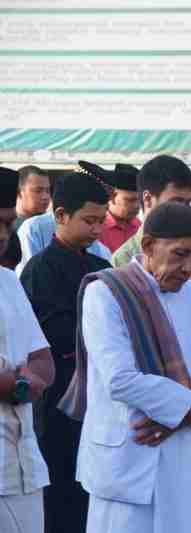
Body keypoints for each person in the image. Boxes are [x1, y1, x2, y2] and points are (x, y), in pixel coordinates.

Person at [60, 202, 191, 533]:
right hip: (132, 453)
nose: (187, 266)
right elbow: (120, 379)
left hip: (188, 452)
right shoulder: (105, 293)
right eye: (180, 254)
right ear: (149, 244)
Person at [19, 172, 113, 533]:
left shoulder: (102, 269)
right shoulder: (38, 271)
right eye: (88, 221)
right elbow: (45, 336)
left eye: (100, 221)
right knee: (60, 491)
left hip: (99, 398)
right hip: (58, 400)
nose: (96, 230)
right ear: (60, 215)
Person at [0, 167, 55, 533]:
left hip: (24, 464)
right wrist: (21, 384)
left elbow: (43, 360)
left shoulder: (7, 280)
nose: (4, 235)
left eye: (7, 223)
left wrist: (19, 384)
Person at [112, 155, 191, 267]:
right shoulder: (123, 260)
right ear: (148, 199)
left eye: (188, 203)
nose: (184, 211)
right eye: (176, 202)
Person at [77, 161, 141, 253]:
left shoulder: (139, 226)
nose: (137, 205)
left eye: (139, 200)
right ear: (112, 196)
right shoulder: (96, 227)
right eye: (130, 200)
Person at [15, 166, 51, 232]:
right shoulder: (9, 229)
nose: (45, 196)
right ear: (19, 192)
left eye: (48, 191)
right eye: (38, 191)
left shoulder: (54, 225)